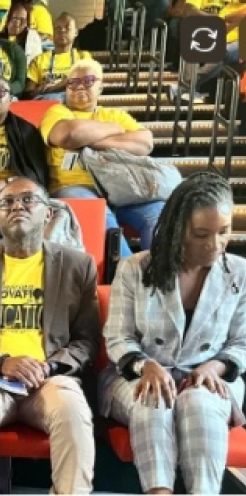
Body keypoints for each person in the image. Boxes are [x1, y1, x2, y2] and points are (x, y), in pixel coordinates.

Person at [0, 176, 99, 494]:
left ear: (48, 213)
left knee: (72, 411)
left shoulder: (77, 266)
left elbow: (86, 341)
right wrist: (0, 362)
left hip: (50, 378)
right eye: (7, 202)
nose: (17, 207)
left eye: (27, 199)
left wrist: (48, 367)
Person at [101, 171, 246, 494]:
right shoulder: (135, 268)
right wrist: (145, 365)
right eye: (201, 234)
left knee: (200, 403)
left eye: (224, 232)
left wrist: (215, 366)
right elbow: (118, 337)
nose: (214, 244)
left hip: (211, 377)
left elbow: (242, 342)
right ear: (179, 228)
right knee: (153, 398)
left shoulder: (240, 273)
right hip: (137, 374)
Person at [41, 58, 161, 258]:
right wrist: (115, 130)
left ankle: (160, 272)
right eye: (73, 82)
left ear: (100, 88)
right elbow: (69, 135)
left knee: (160, 216)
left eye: (88, 81)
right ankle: (126, 271)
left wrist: (88, 142)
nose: (80, 86)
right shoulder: (57, 112)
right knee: (99, 214)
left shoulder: (114, 114)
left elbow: (145, 143)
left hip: (122, 187)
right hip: (75, 186)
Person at [25, 13, 92, 102]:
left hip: (75, 101)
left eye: (67, 28)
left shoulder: (83, 57)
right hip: (47, 102)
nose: (62, 31)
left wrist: (55, 87)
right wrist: (40, 90)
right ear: (53, 32)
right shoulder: (39, 60)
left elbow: (87, 82)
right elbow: (28, 93)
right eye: (58, 28)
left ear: (76, 32)